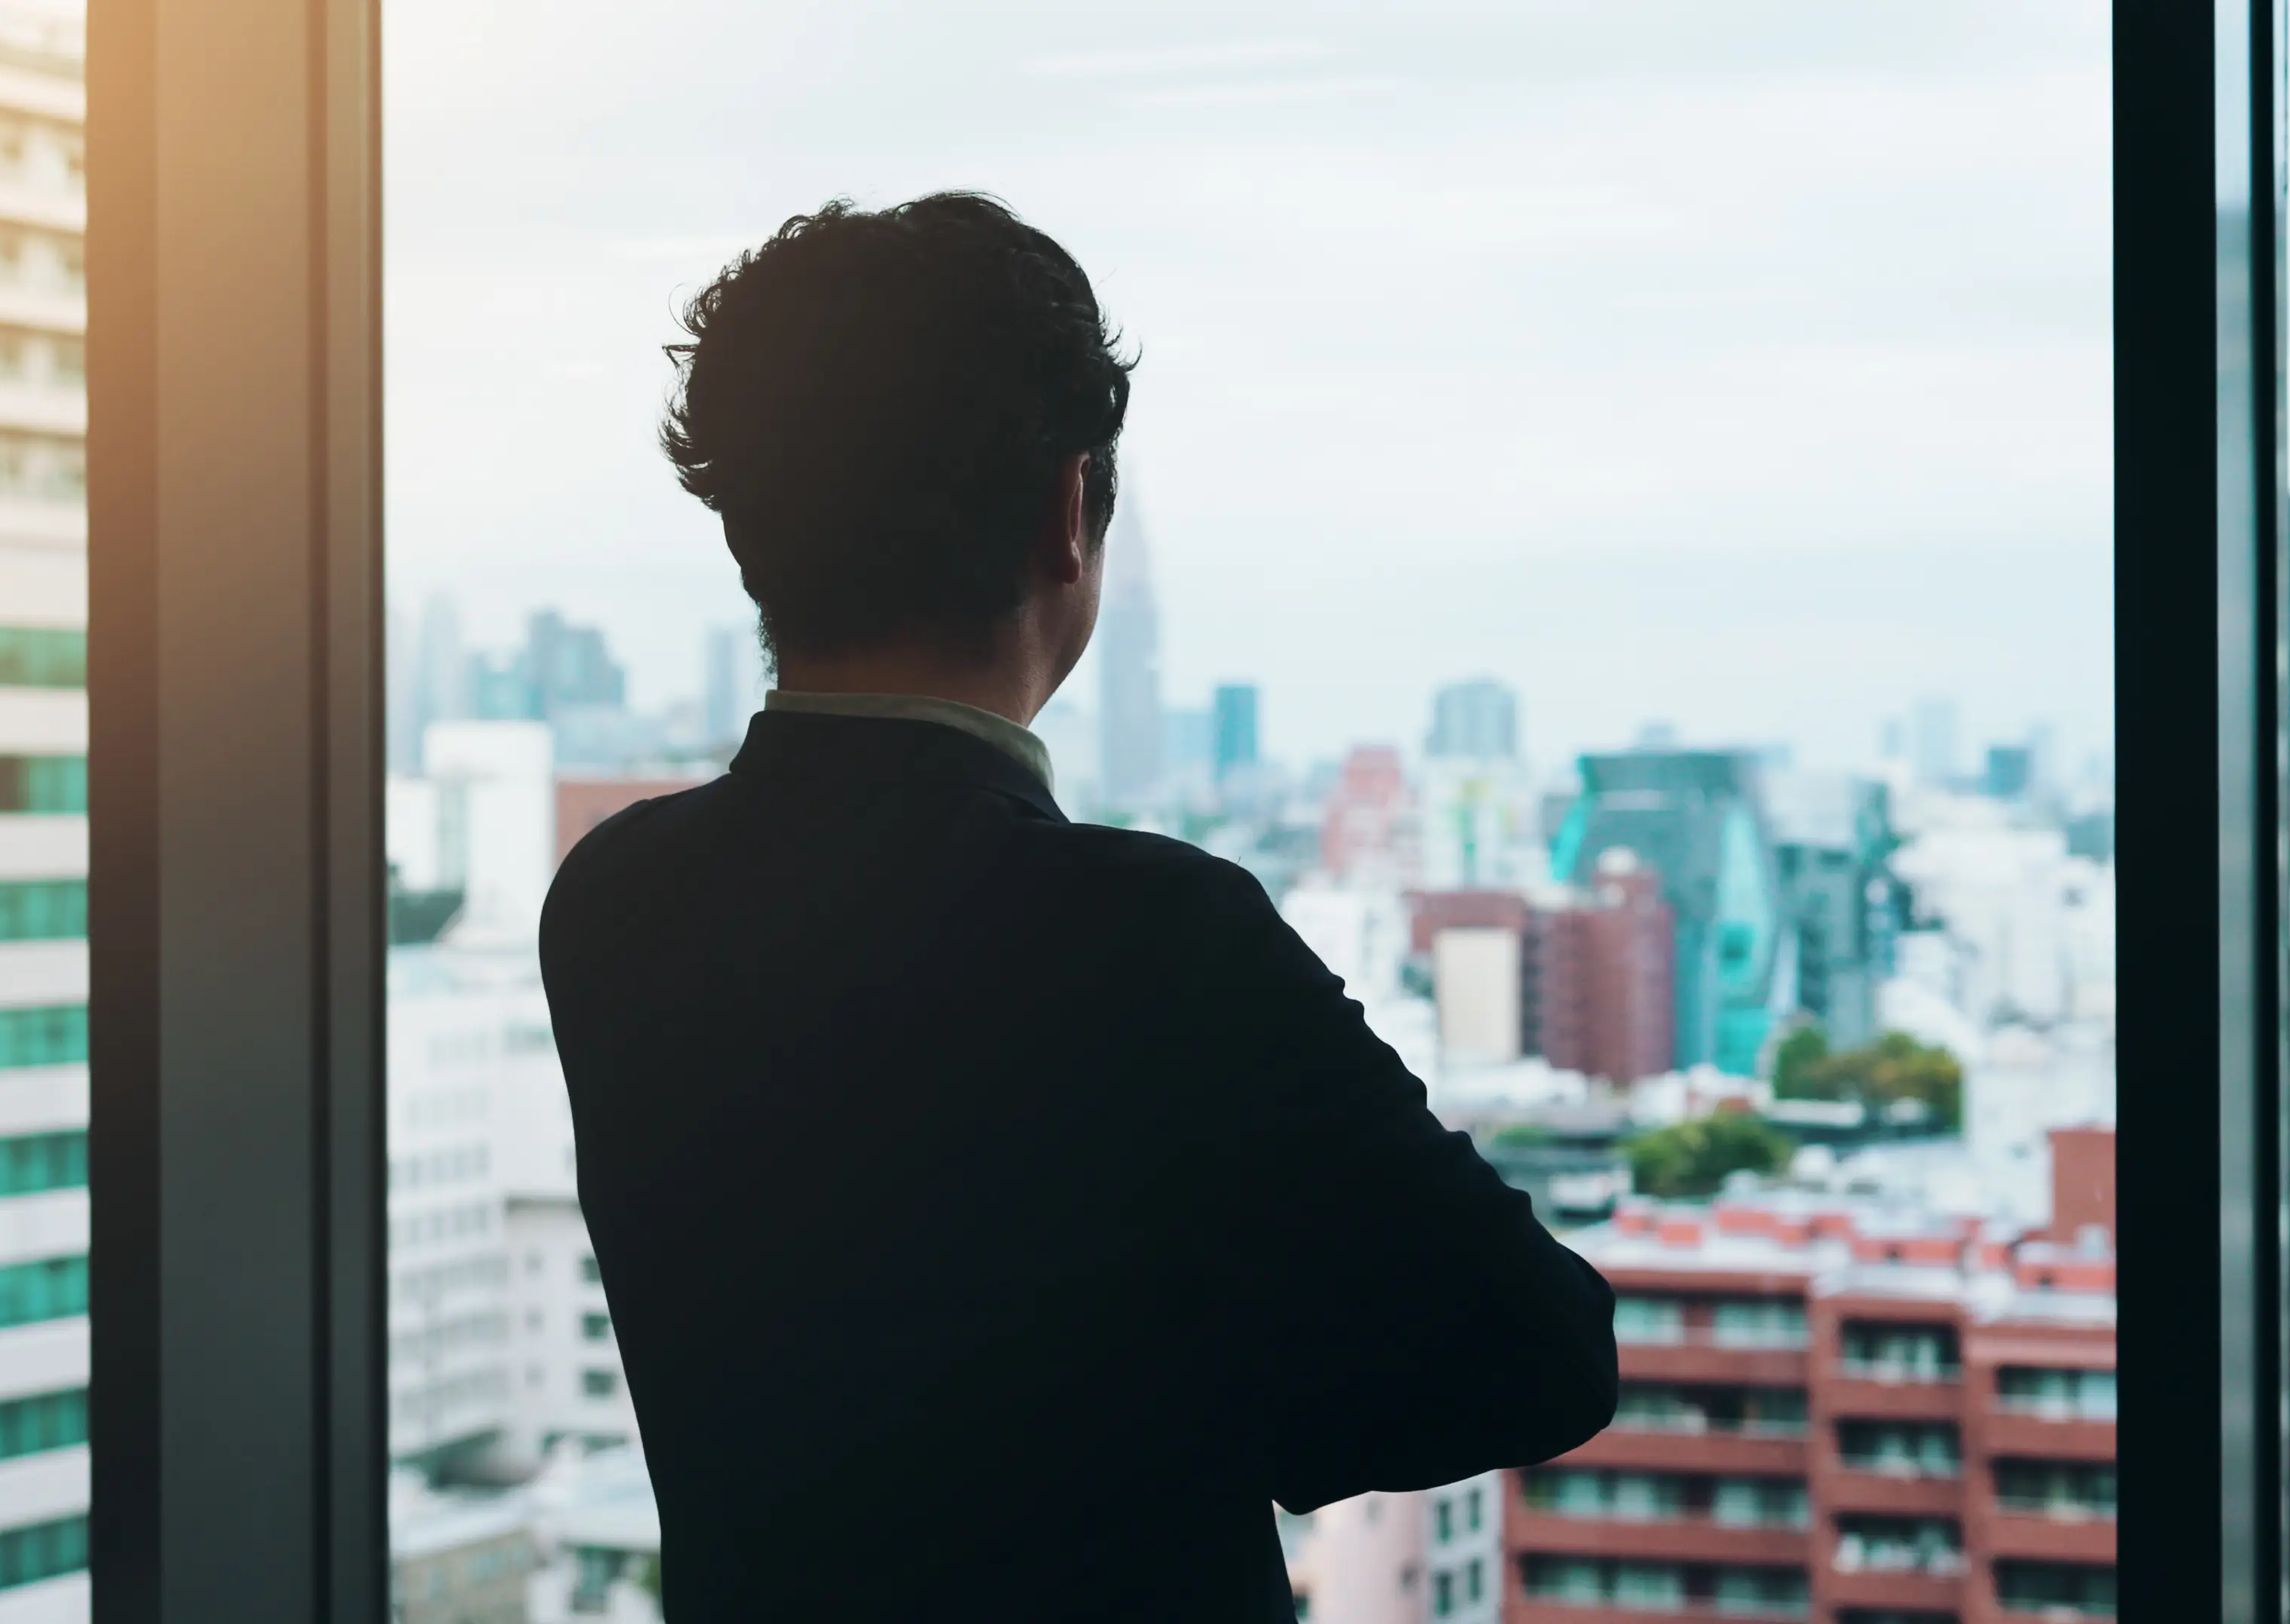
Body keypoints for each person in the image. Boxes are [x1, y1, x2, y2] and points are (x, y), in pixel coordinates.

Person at [538, 192, 1616, 1622]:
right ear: (1069, 510)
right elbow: (1543, 1353)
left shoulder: (619, 902)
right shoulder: (1154, 938)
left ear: (750, 532)